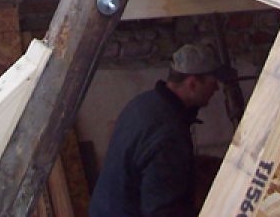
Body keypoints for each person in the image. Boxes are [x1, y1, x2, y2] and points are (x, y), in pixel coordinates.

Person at [90, 43, 236, 216]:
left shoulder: (143, 103)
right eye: (213, 82)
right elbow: (163, 211)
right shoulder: (169, 135)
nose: (216, 88)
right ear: (192, 84)